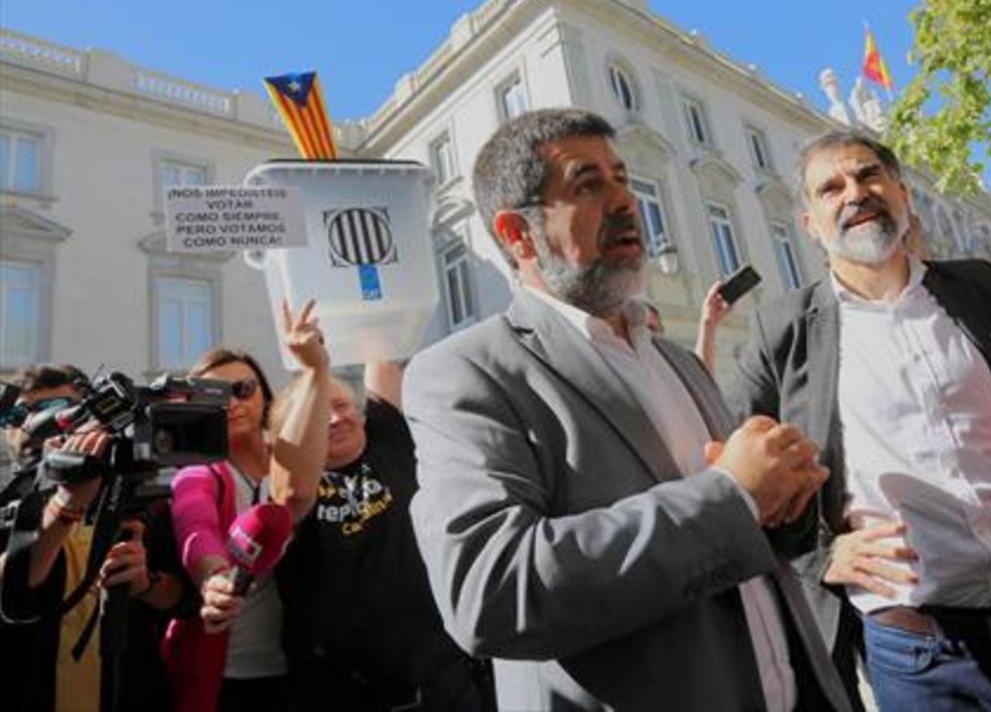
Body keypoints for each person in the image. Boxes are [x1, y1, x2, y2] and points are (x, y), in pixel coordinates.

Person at [405, 108, 853, 711]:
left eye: (623, 179)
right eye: (588, 185)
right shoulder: (467, 372)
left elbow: (735, 537)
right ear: (518, 234)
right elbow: (490, 590)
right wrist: (734, 494)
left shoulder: (680, 363)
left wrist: (783, 499)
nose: (626, 201)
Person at [724, 130, 991, 710]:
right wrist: (816, 553)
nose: (855, 193)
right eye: (831, 187)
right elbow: (724, 470)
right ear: (810, 224)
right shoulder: (784, 331)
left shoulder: (979, 289)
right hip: (921, 662)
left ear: (901, 191)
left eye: (869, 175)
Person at [270, 356, 489, 711]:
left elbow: (381, 350)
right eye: (316, 416)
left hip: (438, 678)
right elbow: (293, 491)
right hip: (341, 691)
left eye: (341, 405)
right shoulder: (289, 494)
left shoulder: (390, 442)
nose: (335, 418)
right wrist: (314, 370)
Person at [164, 300, 329, 712]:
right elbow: (195, 525)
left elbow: (298, 491)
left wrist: (316, 369)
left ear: (264, 395)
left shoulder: (293, 452)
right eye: (213, 394)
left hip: (314, 666)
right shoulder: (201, 474)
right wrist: (214, 579)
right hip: (230, 676)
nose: (231, 403)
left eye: (242, 389)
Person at [0, 366, 187, 712]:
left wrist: (146, 585)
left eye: (64, 409)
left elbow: (180, 595)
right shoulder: (8, 498)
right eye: (25, 414)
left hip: (130, 689)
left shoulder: (139, 489)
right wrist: (65, 506)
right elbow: (9, 592)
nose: (41, 425)